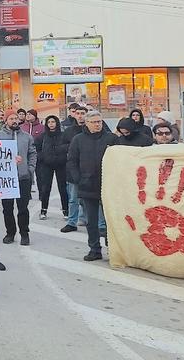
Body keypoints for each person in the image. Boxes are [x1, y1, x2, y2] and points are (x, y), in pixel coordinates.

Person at [66, 110, 118, 261]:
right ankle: (94, 249)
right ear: (87, 123)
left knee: (110, 220)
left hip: (108, 185)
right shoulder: (78, 139)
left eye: (99, 121)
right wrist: (78, 179)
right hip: (87, 185)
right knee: (91, 221)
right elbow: (72, 160)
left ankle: (112, 249)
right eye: (94, 122)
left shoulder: (111, 138)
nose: (97, 124)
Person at [0, 110, 37, 246]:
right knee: (7, 208)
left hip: (23, 177)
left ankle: (24, 233)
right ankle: (10, 233)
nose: (14, 121)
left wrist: (30, 169)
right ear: (6, 121)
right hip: (6, 179)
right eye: (11, 118)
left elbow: (32, 153)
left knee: (23, 208)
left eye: (16, 118)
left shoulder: (27, 137)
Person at [36, 115, 69, 220]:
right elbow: (36, 149)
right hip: (46, 165)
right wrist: (42, 157)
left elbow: (69, 147)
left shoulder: (63, 135)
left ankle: (66, 211)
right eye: (49, 122)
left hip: (61, 164)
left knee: (63, 188)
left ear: (57, 123)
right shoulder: (42, 136)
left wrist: (63, 154)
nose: (51, 124)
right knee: (45, 188)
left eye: (53, 122)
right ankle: (43, 210)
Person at [61, 105, 88, 233]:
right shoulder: (68, 131)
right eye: (78, 113)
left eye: (83, 113)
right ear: (74, 115)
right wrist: (74, 147)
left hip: (89, 169)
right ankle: (72, 222)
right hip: (73, 169)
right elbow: (61, 146)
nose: (80, 116)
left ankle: (88, 220)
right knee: (73, 199)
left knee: (88, 199)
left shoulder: (93, 128)